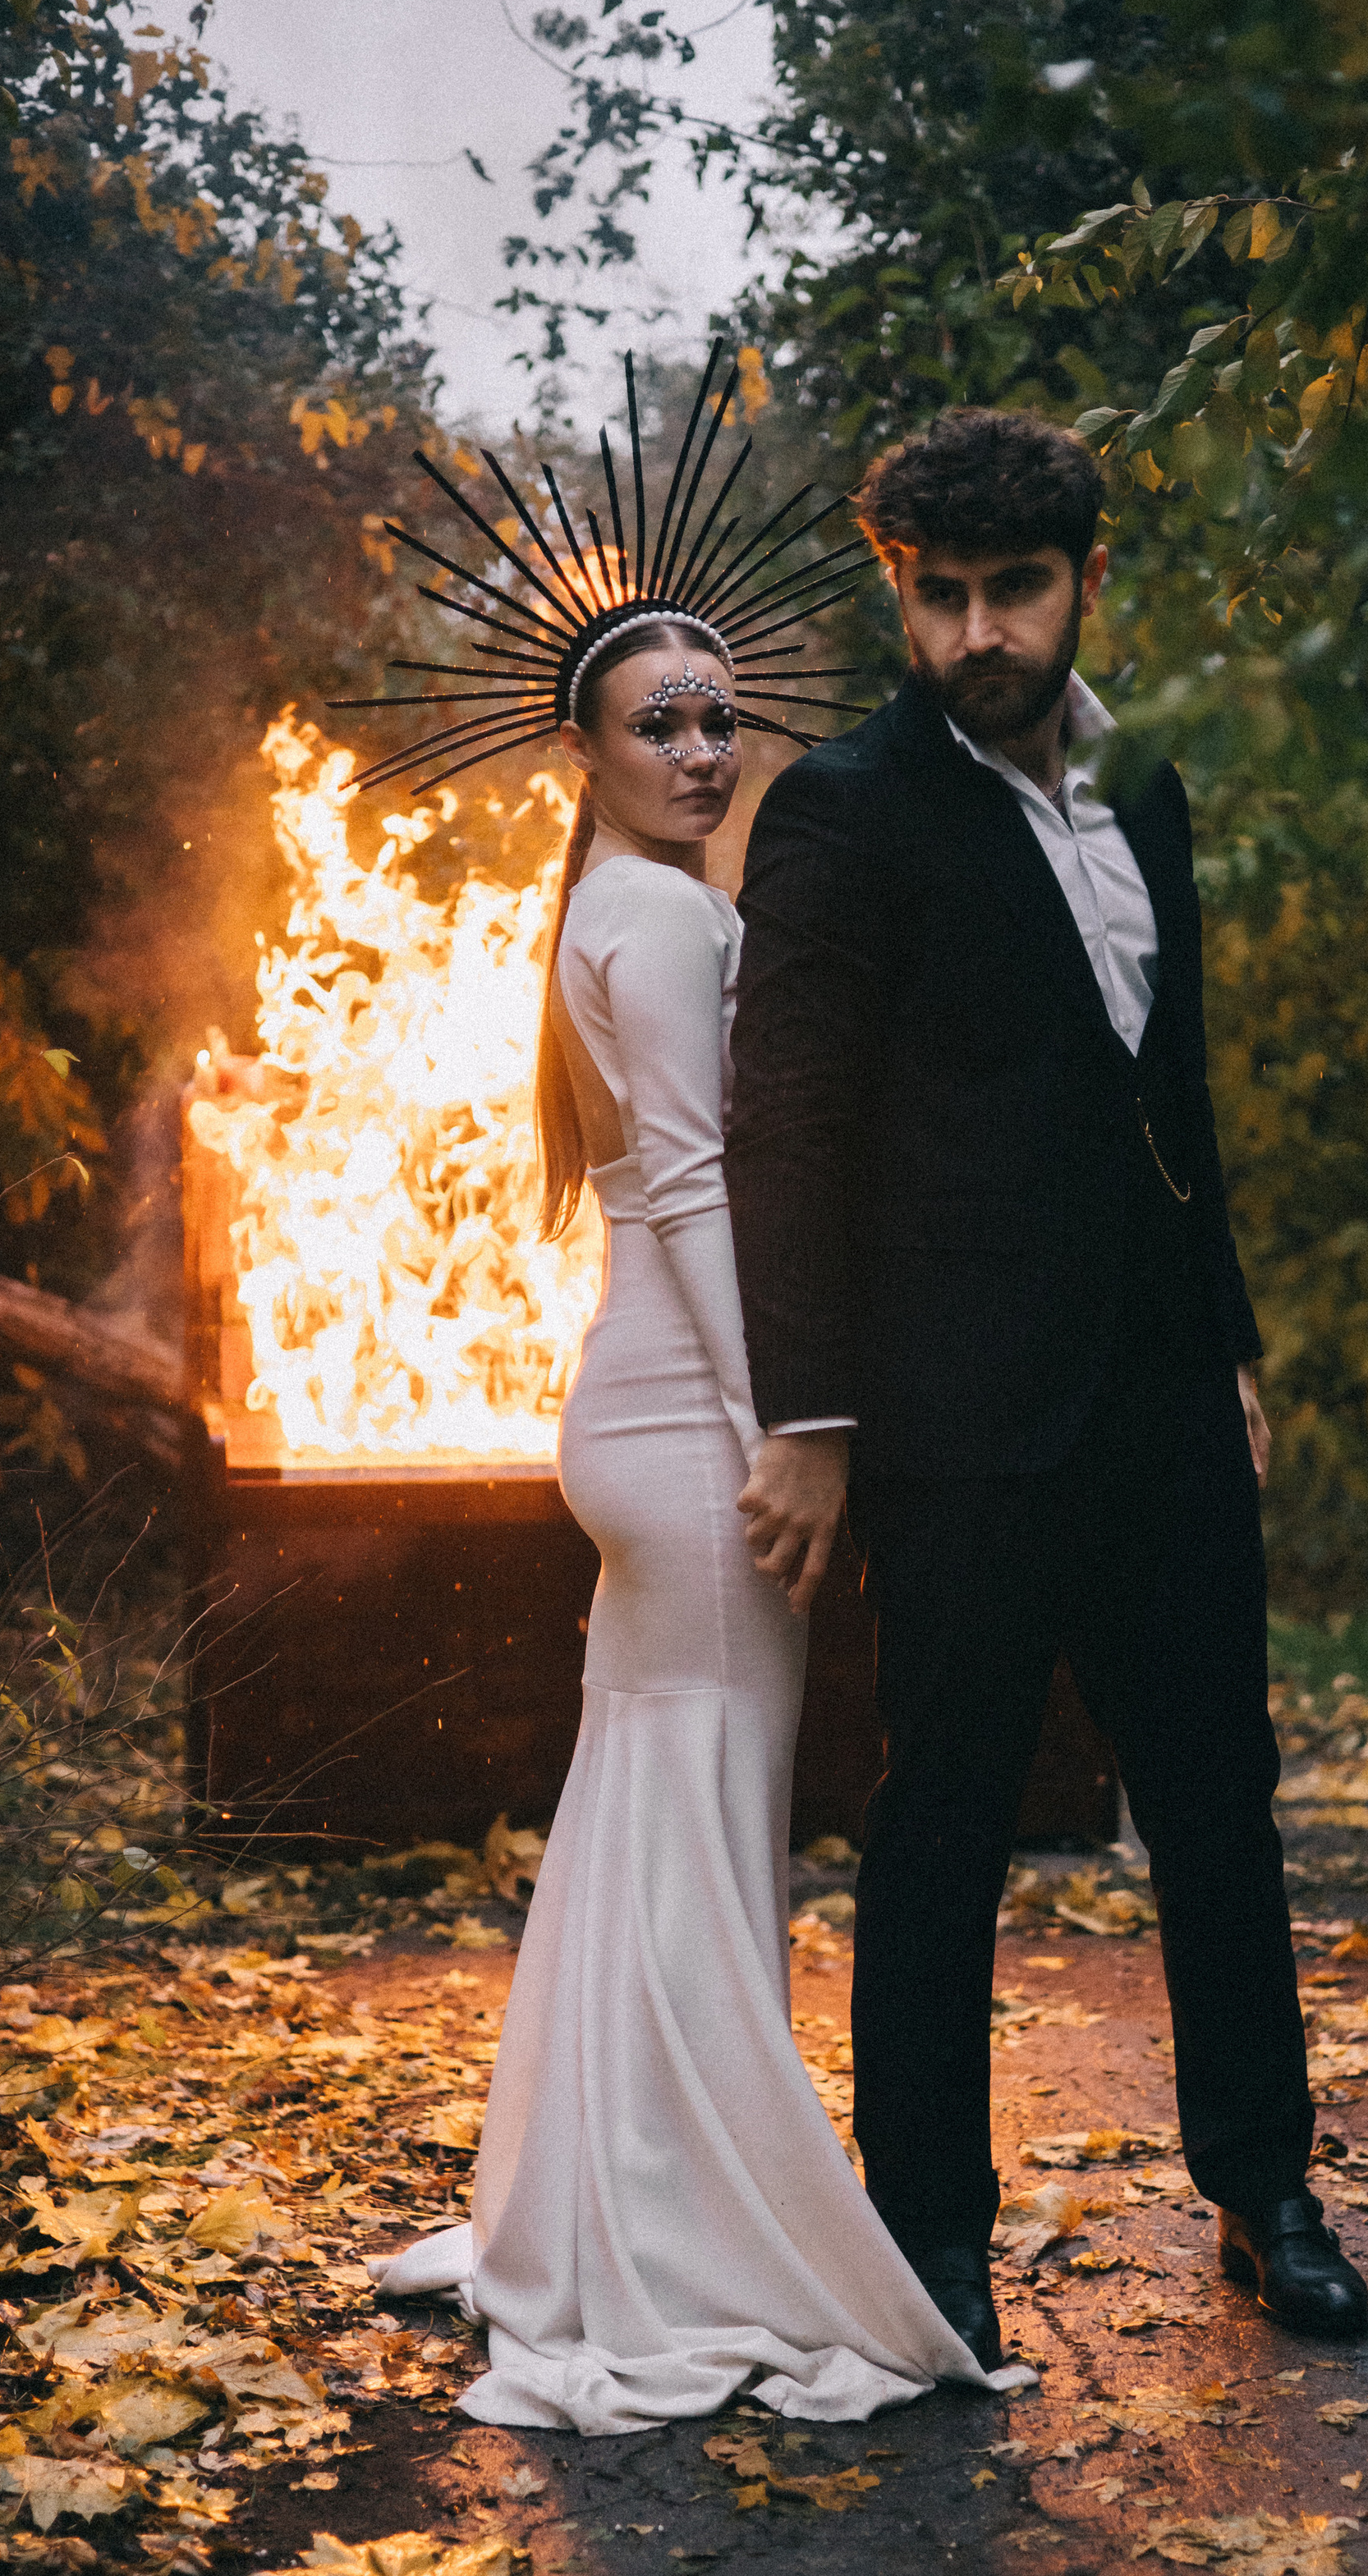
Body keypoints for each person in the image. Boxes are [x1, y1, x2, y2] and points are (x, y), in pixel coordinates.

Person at [727, 406, 1368, 2355]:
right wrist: (812, 1418)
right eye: (941, 597)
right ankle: (928, 2236)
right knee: (940, 1824)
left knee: (1216, 1804)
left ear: (1087, 581)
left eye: (1015, 589)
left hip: (1161, 1395)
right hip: (955, 1418)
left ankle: (1264, 2191)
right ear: (897, 594)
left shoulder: (1146, 787)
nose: (978, 632)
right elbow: (788, 1122)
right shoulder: (845, 807)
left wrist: (1232, 1347)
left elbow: (1168, 1095)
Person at [374, 607, 1027, 2429]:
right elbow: (682, 1178)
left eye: (719, 718)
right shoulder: (654, 913)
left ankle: (605, 2202)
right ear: (585, 749)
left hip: (651, 1406)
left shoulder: (616, 904)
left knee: (651, 1805)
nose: (701, 750)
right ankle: (678, 2233)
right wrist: (781, 1426)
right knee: (704, 1811)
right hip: (687, 1417)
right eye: (659, 723)